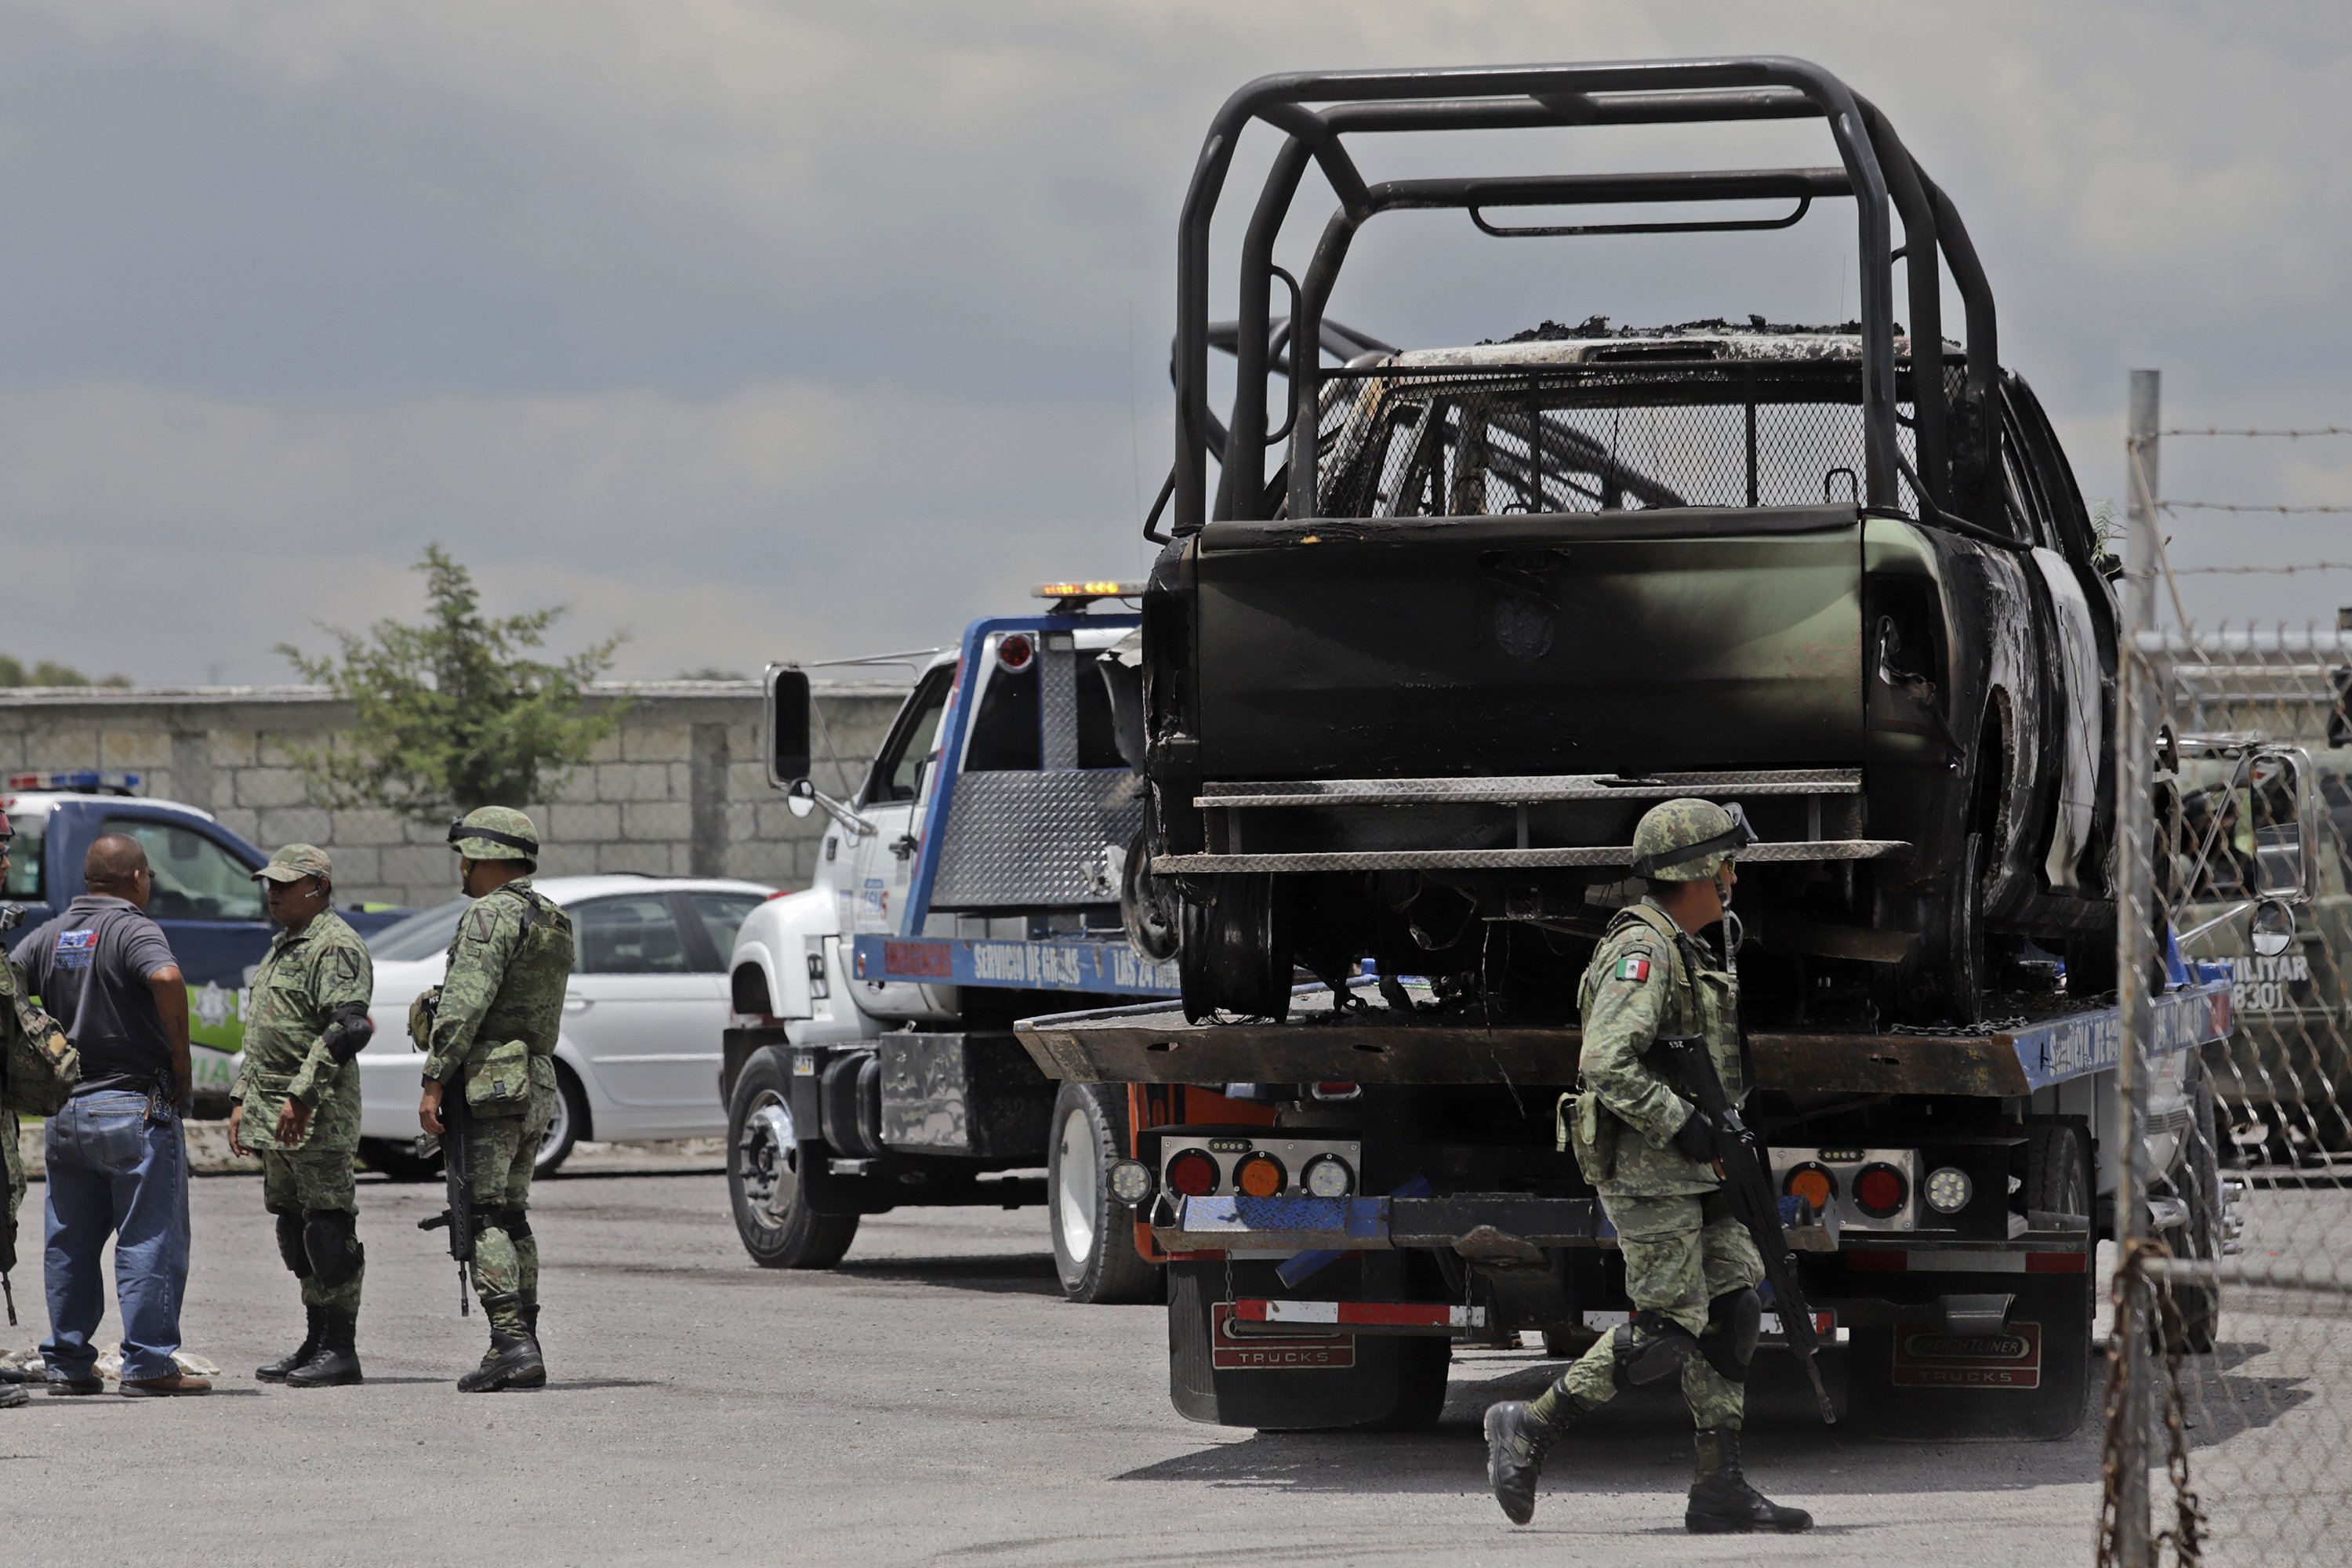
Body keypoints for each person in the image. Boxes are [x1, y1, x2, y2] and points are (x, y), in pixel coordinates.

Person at [1484, 798, 1809, 1534]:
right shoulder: (1647, 951)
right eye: (1725, 861)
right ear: (1696, 870)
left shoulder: (1691, 946)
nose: (1733, 874)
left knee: (1734, 1312)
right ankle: (1526, 1427)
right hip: (1651, 1169)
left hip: (1703, 1167)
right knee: (1666, 1329)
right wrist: (1684, 1125)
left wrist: (1719, 1137)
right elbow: (1604, 1062)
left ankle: (1719, 1487)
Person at [11, 833, 210, 1396]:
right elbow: (167, 978)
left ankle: (69, 1365)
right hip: (132, 1107)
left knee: (70, 1242)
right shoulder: (131, 926)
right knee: (148, 1238)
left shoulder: (50, 934)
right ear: (137, 878)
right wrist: (181, 1060)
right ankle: (149, 1365)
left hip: (66, 1111)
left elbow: (12, 983)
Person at [417, 807, 574, 1392]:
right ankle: (523, 1339)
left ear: (487, 857)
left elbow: (465, 1005)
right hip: (534, 1078)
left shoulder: (489, 915)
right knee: (512, 1215)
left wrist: (435, 1078)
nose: (461, 868)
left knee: (482, 1213)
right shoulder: (552, 917)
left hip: (488, 1083)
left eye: (466, 856)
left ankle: (510, 1343)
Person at [227, 844, 375, 1388]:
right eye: (270, 883)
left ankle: (341, 1348)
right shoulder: (283, 946)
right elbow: (263, 1035)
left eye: (285, 884)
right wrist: (242, 1099)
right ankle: (314, 1340)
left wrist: (304, 1095)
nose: (273, 892)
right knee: (295, 1229)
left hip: (317, 1113)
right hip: (274, 1112)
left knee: (328, 1228)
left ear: (318, 888)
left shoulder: (335, 946)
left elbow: (348, 1028)